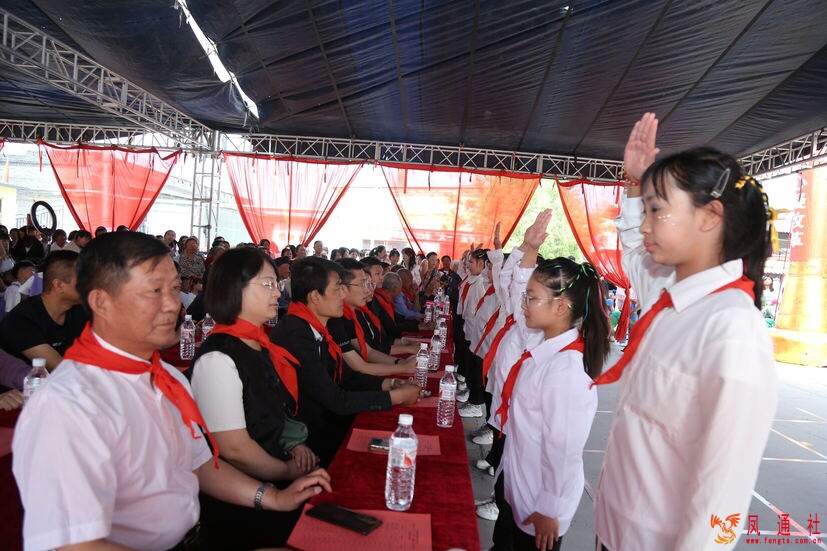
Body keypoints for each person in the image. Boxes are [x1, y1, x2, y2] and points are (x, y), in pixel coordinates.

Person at [11, 232, 331, 551]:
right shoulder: (69, 403)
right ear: (101, 302)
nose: (172, 305)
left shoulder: (166, 378)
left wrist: (273, 497)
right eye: (154, 291)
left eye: (175, 289)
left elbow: (198, 465)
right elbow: (77, 545)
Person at [593, 113, 777, 550]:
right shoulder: (671, 295)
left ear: (710, 216)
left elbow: (723, 491)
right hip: (614, 529)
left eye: (657, 210)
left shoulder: (731, 328)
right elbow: (635, 248)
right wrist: (635, 185)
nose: (645, 224)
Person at [489, 210, 608, 550]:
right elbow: (517, 296)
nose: (523, 303)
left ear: (561, 307)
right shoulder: (541, 342)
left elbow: (563, 450)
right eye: (526, 295)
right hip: (520, 484)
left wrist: (550, 508)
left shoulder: (566, 371)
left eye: (532, 298)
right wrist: (529, 248)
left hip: (539, 505)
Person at [190, 247, 320, 548]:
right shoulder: (218, 358)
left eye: (277, 283)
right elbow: (235, 450)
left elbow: (269, 411)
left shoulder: (258, 344)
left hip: (275, 479)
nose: (278, 292)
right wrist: (288, 471)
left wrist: (294, 444)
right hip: (241, 503)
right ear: (234, 289)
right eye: (267, 283)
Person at [270, 257, 420, 466]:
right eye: (337, 288)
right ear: (315, 296)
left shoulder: (314, 327)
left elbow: (345, 377)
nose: (343, 294)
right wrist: (397, 396)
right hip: (307, 439)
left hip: (324, 425)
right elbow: (335, 399)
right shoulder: (296, 334)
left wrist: (391, 383)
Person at [329, 258, 417, 377]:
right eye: (363, 284)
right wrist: (402, 366)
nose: (368, 289)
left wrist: (401, 364)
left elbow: (370, 350)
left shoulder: (356, 312)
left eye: (369, 284)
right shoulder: (335, 319)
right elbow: (359, 366)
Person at [0, 252, 87, 369]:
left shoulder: (80, 310)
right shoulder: (20, 320)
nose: (93, 285)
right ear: (59, 285)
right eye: (85, 280)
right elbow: (61, 369)